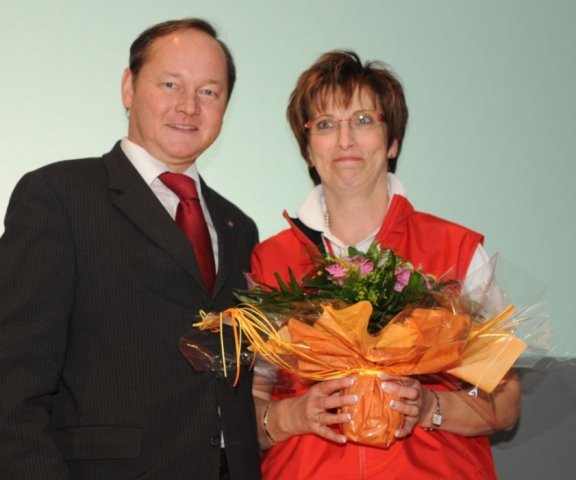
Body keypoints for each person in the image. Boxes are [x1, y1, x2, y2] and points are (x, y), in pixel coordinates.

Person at [0, 18, 261, 479]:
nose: (188, 106)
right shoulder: (59, 195)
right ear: (128, 86)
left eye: (209, 92)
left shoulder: (238, 227)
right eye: (170, 84)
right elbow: (12, 383)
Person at [250, 50, 521, 479]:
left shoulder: (454, 250)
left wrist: (430, 407)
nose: (345, 140)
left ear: (392, 141)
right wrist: (294, 415)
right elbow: (246, 405)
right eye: (325, 124)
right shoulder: (269, 262)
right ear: (308, 149)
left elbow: (505, 402)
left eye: (363, 120)